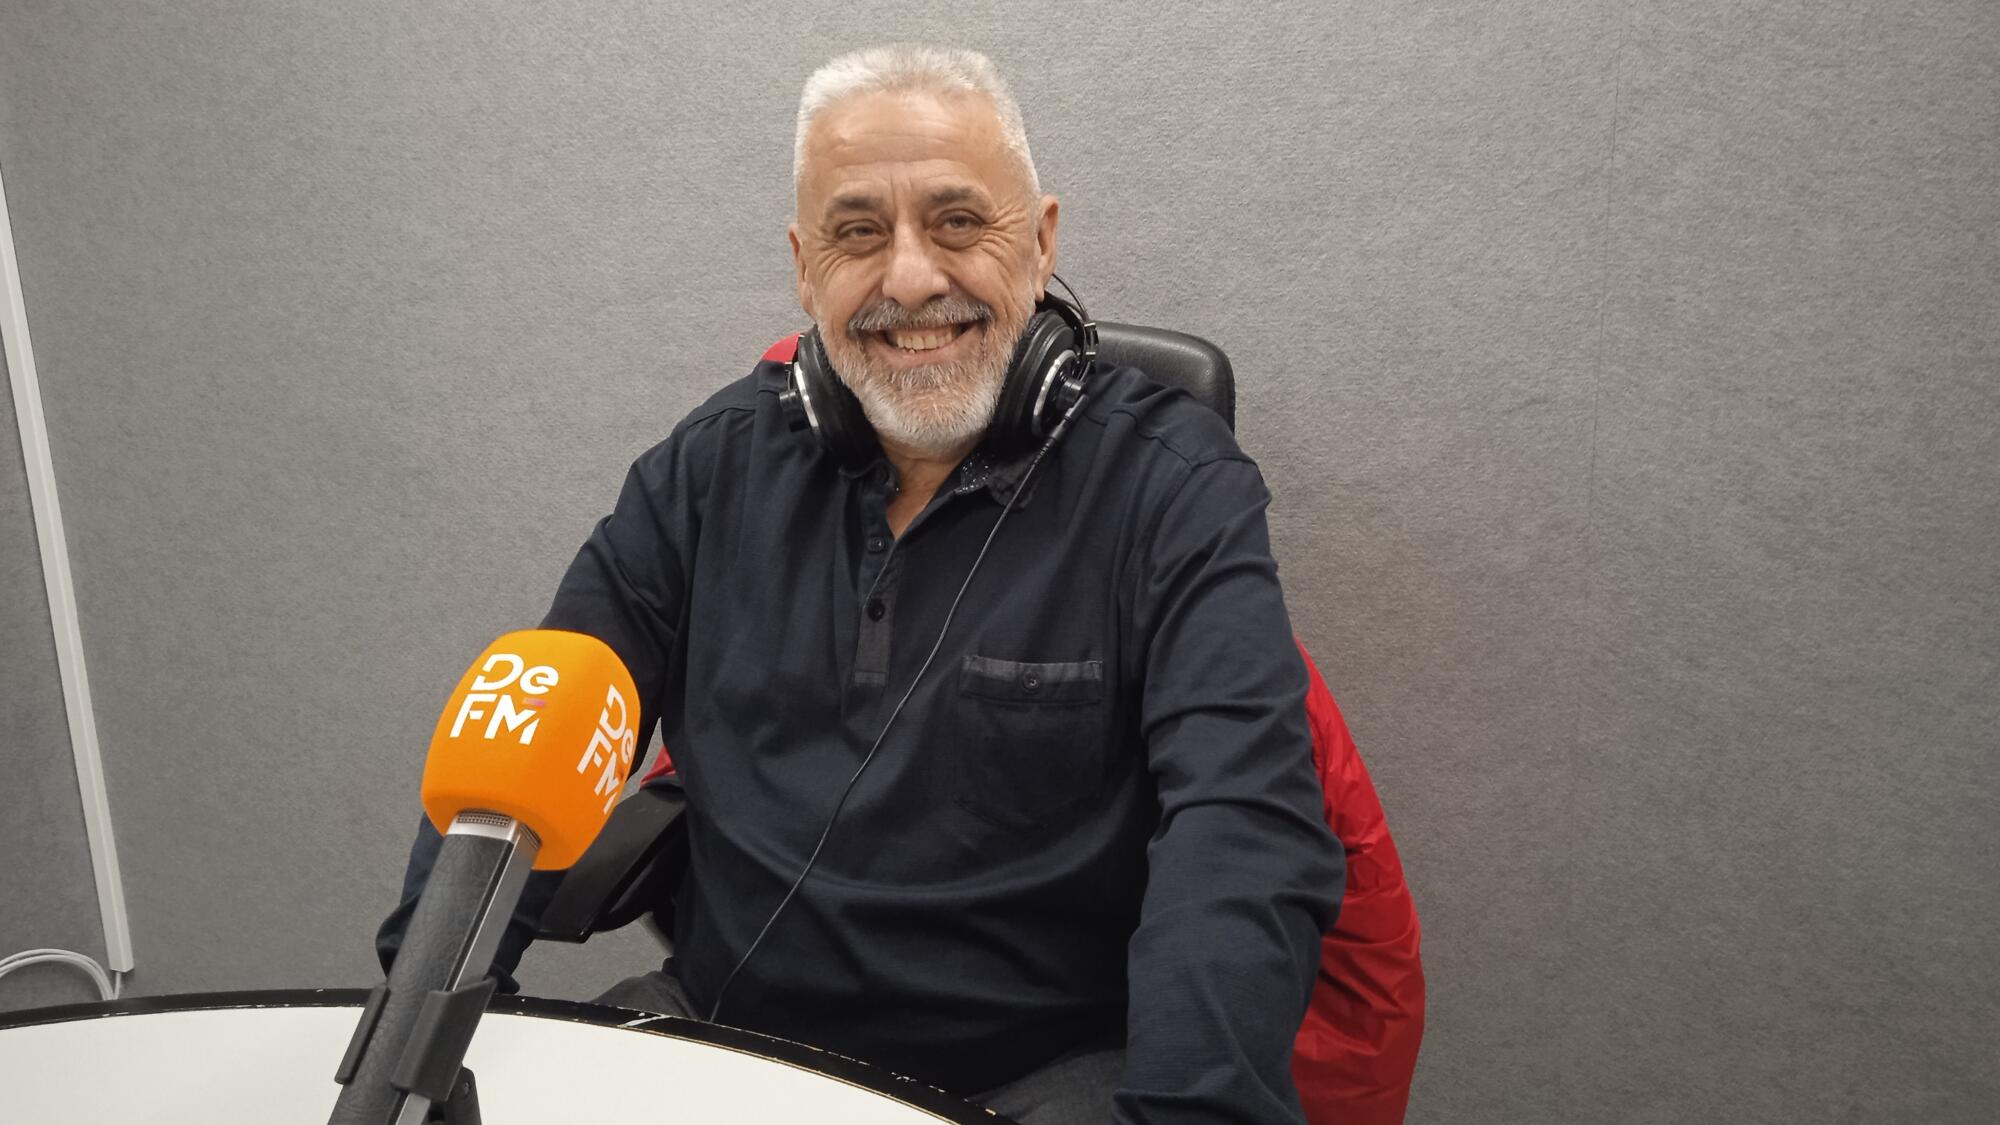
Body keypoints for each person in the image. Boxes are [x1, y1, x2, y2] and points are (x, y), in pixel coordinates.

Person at [378, 44, 1343, 1125]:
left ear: (1042, 243)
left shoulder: (1171, 485)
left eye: (958, 222)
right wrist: (420, 1041)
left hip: (1033, 1077)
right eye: (857, 233)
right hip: (723, 1043)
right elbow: (530, 736)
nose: (910, 279)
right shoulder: (707, 471)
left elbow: (1240, 827)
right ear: (805, 268)